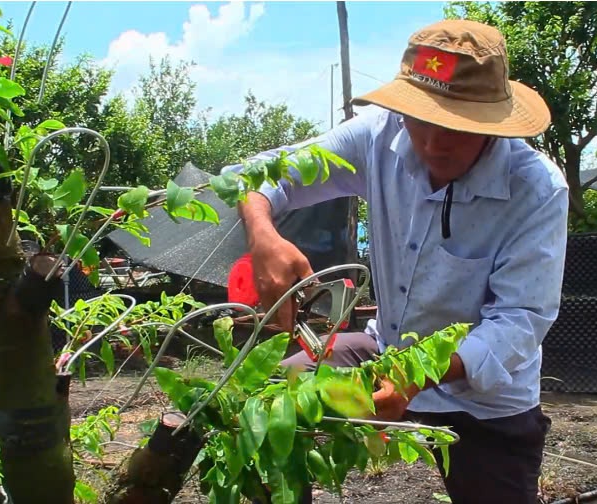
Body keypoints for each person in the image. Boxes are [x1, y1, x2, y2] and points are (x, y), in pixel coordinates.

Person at [225, 19, 569, 504]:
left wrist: (415, 377)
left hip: (484, 398)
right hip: (383, 355)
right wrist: (263, 236)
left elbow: (519, 321)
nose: (431, 142)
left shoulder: (535, 189)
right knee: (268, 405)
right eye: (420, 119)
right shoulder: (376, 136)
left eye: (453, 126)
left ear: (491, 122)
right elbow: (261, 177)